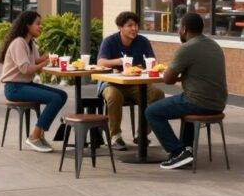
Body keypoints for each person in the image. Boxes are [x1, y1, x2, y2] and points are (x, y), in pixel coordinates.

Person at [146, 13, 228, 169]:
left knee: (151, 112)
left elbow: (168, 80)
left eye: (178, 28)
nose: (178, 31)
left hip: (198, 102)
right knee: (183, 99)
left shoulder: (187, 48)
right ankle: (187, 148)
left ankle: (177, 152)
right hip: (218, 103)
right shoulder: (214, 45)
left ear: (184, 29)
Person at [0, 10, 67, 153]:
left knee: (62, 95)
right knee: (54, 98)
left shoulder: (30, 43)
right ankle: (34, 136)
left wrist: (42, 59)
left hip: (25, 85)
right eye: (37, 24)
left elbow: (33, 61)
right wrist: (44, 63)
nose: (40, 27)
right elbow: (25, 69)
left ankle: (40, 134)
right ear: (27, 25)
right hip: (14, 88)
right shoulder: (18, 42)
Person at [96, 11, 165, 151]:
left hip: (135, 84)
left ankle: (142, 134)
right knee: (113, 96)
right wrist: (120, 61)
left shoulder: (143, 41)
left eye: (136, 25)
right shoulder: (109, 41)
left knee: (157, 94)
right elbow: (101, 62)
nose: (134, 29)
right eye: (130, 25)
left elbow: (152, 62)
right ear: (120, 27)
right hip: (112, 83)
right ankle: (115, 136)